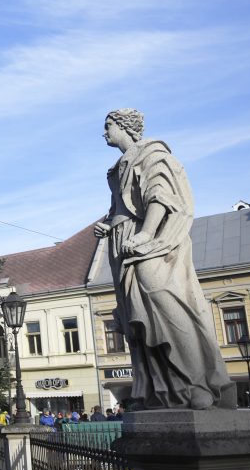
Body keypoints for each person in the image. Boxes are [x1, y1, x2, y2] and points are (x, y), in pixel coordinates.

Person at [95, 108, 235, 410]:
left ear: (124, 126)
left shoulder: (151, 153)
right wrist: (108, 225)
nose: (104, 132)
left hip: (151, 238)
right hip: (122, 242)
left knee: (163, 298)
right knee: (137, 317)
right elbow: (121, 206)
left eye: (108, 125)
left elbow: (160, 195)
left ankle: (196, 381)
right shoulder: (117, 166)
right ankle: (160, 391)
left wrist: (146, 234)